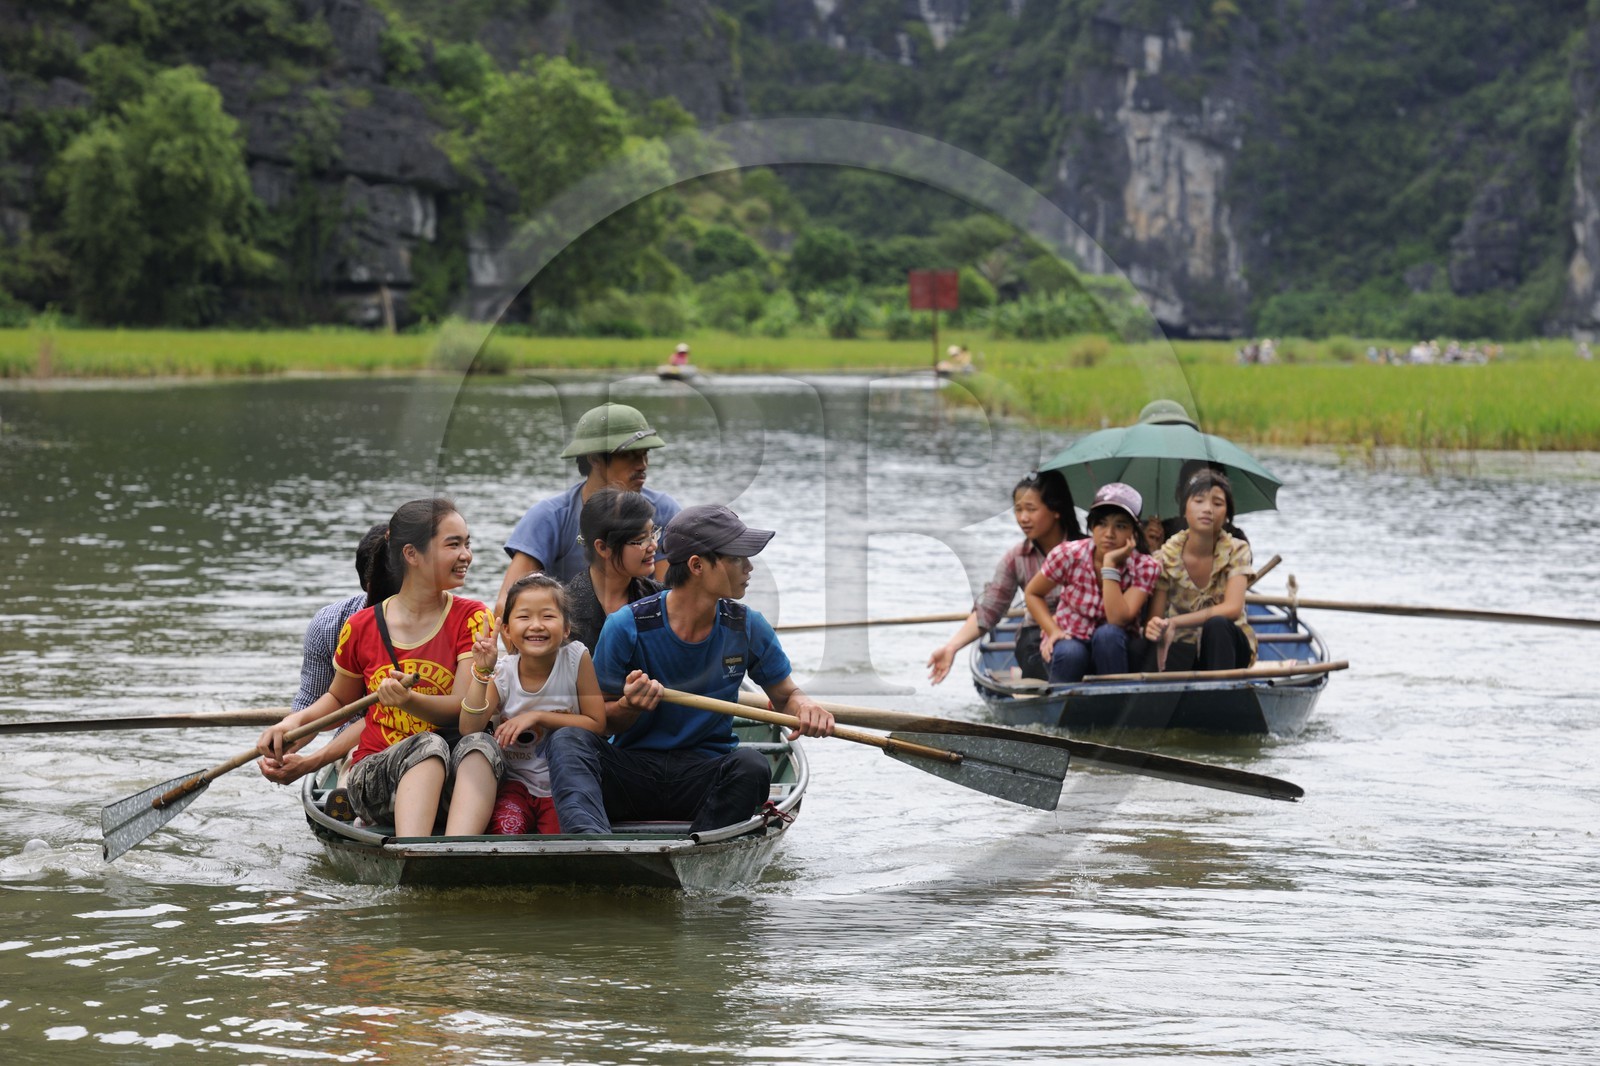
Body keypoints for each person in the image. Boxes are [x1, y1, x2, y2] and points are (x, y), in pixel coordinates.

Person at [544, 504, 835, 835]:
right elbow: (600, 721)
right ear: (697, 565)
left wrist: (805, 706)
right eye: (737, 558)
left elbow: (786, 696)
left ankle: (703, 847)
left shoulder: (747, 626)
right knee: (567, 739)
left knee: (752, 765)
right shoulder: (627, 625)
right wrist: (629, 706)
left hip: (705, 777)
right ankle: (593, 846)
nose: (749, 567)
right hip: (632, 773)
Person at [256, 498, 504, 836]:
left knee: (482, 746)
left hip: (450, 774)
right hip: (378, 776)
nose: (466, 556)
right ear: (411, 554)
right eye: (453, 545)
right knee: (425, 746)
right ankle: (413, 852)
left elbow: (463, 710)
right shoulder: (360, 626)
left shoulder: (474, 617)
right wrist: (292, 723)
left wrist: (409, 701)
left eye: (467, 544)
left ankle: (458, 849)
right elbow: (339, 701)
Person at [458, 574, 607, 835]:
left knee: (563, 841)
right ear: (506, 630)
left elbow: (597, 724)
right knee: (506, 829)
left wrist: (538, 716)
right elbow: (469, 729)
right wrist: (482, 672)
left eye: (548, 616)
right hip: (516, 785)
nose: (536, 625)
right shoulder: (503, 672)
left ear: (566, 628)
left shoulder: (575, 658)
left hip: (564, 785)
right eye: (524, 617)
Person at [497, 402, 682, 610]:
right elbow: (507, 604)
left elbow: (672, 599)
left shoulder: (664, 510)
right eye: (629, 455)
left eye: (644, 453)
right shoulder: (551, 516)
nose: (642, 464)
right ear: (595, 458)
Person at [926, 469, 1083, 684]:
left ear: (1056, 509)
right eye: (1018, 510)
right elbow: (990, 608)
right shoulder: (1017, 557)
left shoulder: (1089, 550)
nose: (1023, 518)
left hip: (1082, 630)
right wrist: (951, 647)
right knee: (1048, 661)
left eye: (1031, 509)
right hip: (1036, 636)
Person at [1024, 483, 1158, 683]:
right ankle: (1063, 699)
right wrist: (1053, 631)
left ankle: (1113, 698)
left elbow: (1117, 619)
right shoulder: (1068, 554)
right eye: (1101, 524)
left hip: (1115, 649)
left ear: (1134, 532)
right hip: (1070, 638)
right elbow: (1032, 593)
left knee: (1107, 635)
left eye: (1120, 526)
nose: (1109, 533)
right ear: (1092, 526)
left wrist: (1110, 564)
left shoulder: (1144, 566)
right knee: (1071, 653)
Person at [1144, 470, 1257, 672]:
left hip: (1229, 646)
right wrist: (1156, 626)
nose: (1207, 509)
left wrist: (1175, 622)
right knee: (1143, 646)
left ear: (1227, 515)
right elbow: (1156, 616)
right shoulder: (1164, 557)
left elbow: (1232, 609)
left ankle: (1220, 690)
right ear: (1185, 509)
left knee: (1217, 625)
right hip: (1182, 646)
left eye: (1217, 503)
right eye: (1198, 501)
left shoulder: (1237, 549)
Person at [291, 522, 387, 714]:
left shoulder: (443, 620)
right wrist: (292, 725)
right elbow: (312, 701)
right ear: (368, 585)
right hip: (353, 728)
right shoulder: (328, 624)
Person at [566, 487, 662, 652]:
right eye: (641, 540)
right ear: (603, 548)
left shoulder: (660, 600)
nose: (653, 545)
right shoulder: (566, 608)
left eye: (653, 533)